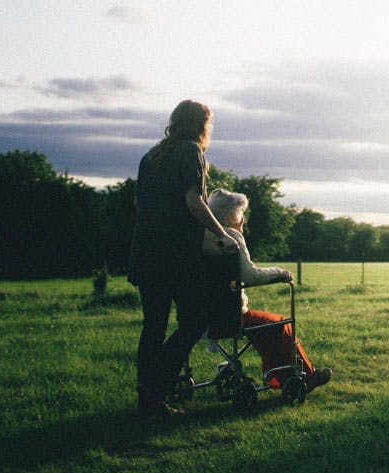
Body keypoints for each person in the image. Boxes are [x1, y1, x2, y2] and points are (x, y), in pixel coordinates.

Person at [128, 100, 237, 417]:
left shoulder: (151, 156)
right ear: (202, 125)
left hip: (145, 252)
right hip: (174, 257)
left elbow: (140, 203)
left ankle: (148, 397)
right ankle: (156, 386)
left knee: (154, 326)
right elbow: (194, 201)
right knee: (195, 321)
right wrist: (222, 233)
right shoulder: (191, 152)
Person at [203, 188, 332, 391]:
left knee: (265, 326)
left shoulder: (203, 237)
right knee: (280, 324)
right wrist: (280, 273)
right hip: (230, 315)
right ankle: (306, 376)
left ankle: (278, 376)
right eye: (242, 214)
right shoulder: (232, 237)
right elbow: (250, 276)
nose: (244, 219)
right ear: (232, 215)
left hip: (204, 315)